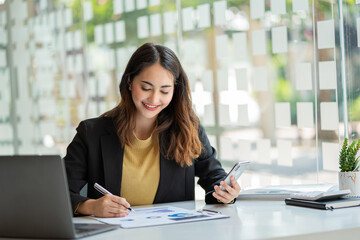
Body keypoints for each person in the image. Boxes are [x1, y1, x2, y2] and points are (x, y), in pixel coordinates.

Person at [64, 42, 241, 218]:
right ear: (129, 82)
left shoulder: (188, 129)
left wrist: (226, 192)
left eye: (164, 91)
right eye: (146, 88)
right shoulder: (91, 133)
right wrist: (91, 206)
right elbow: (58, 191)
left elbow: (214, 178)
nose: (154, 99)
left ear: (175, 90)